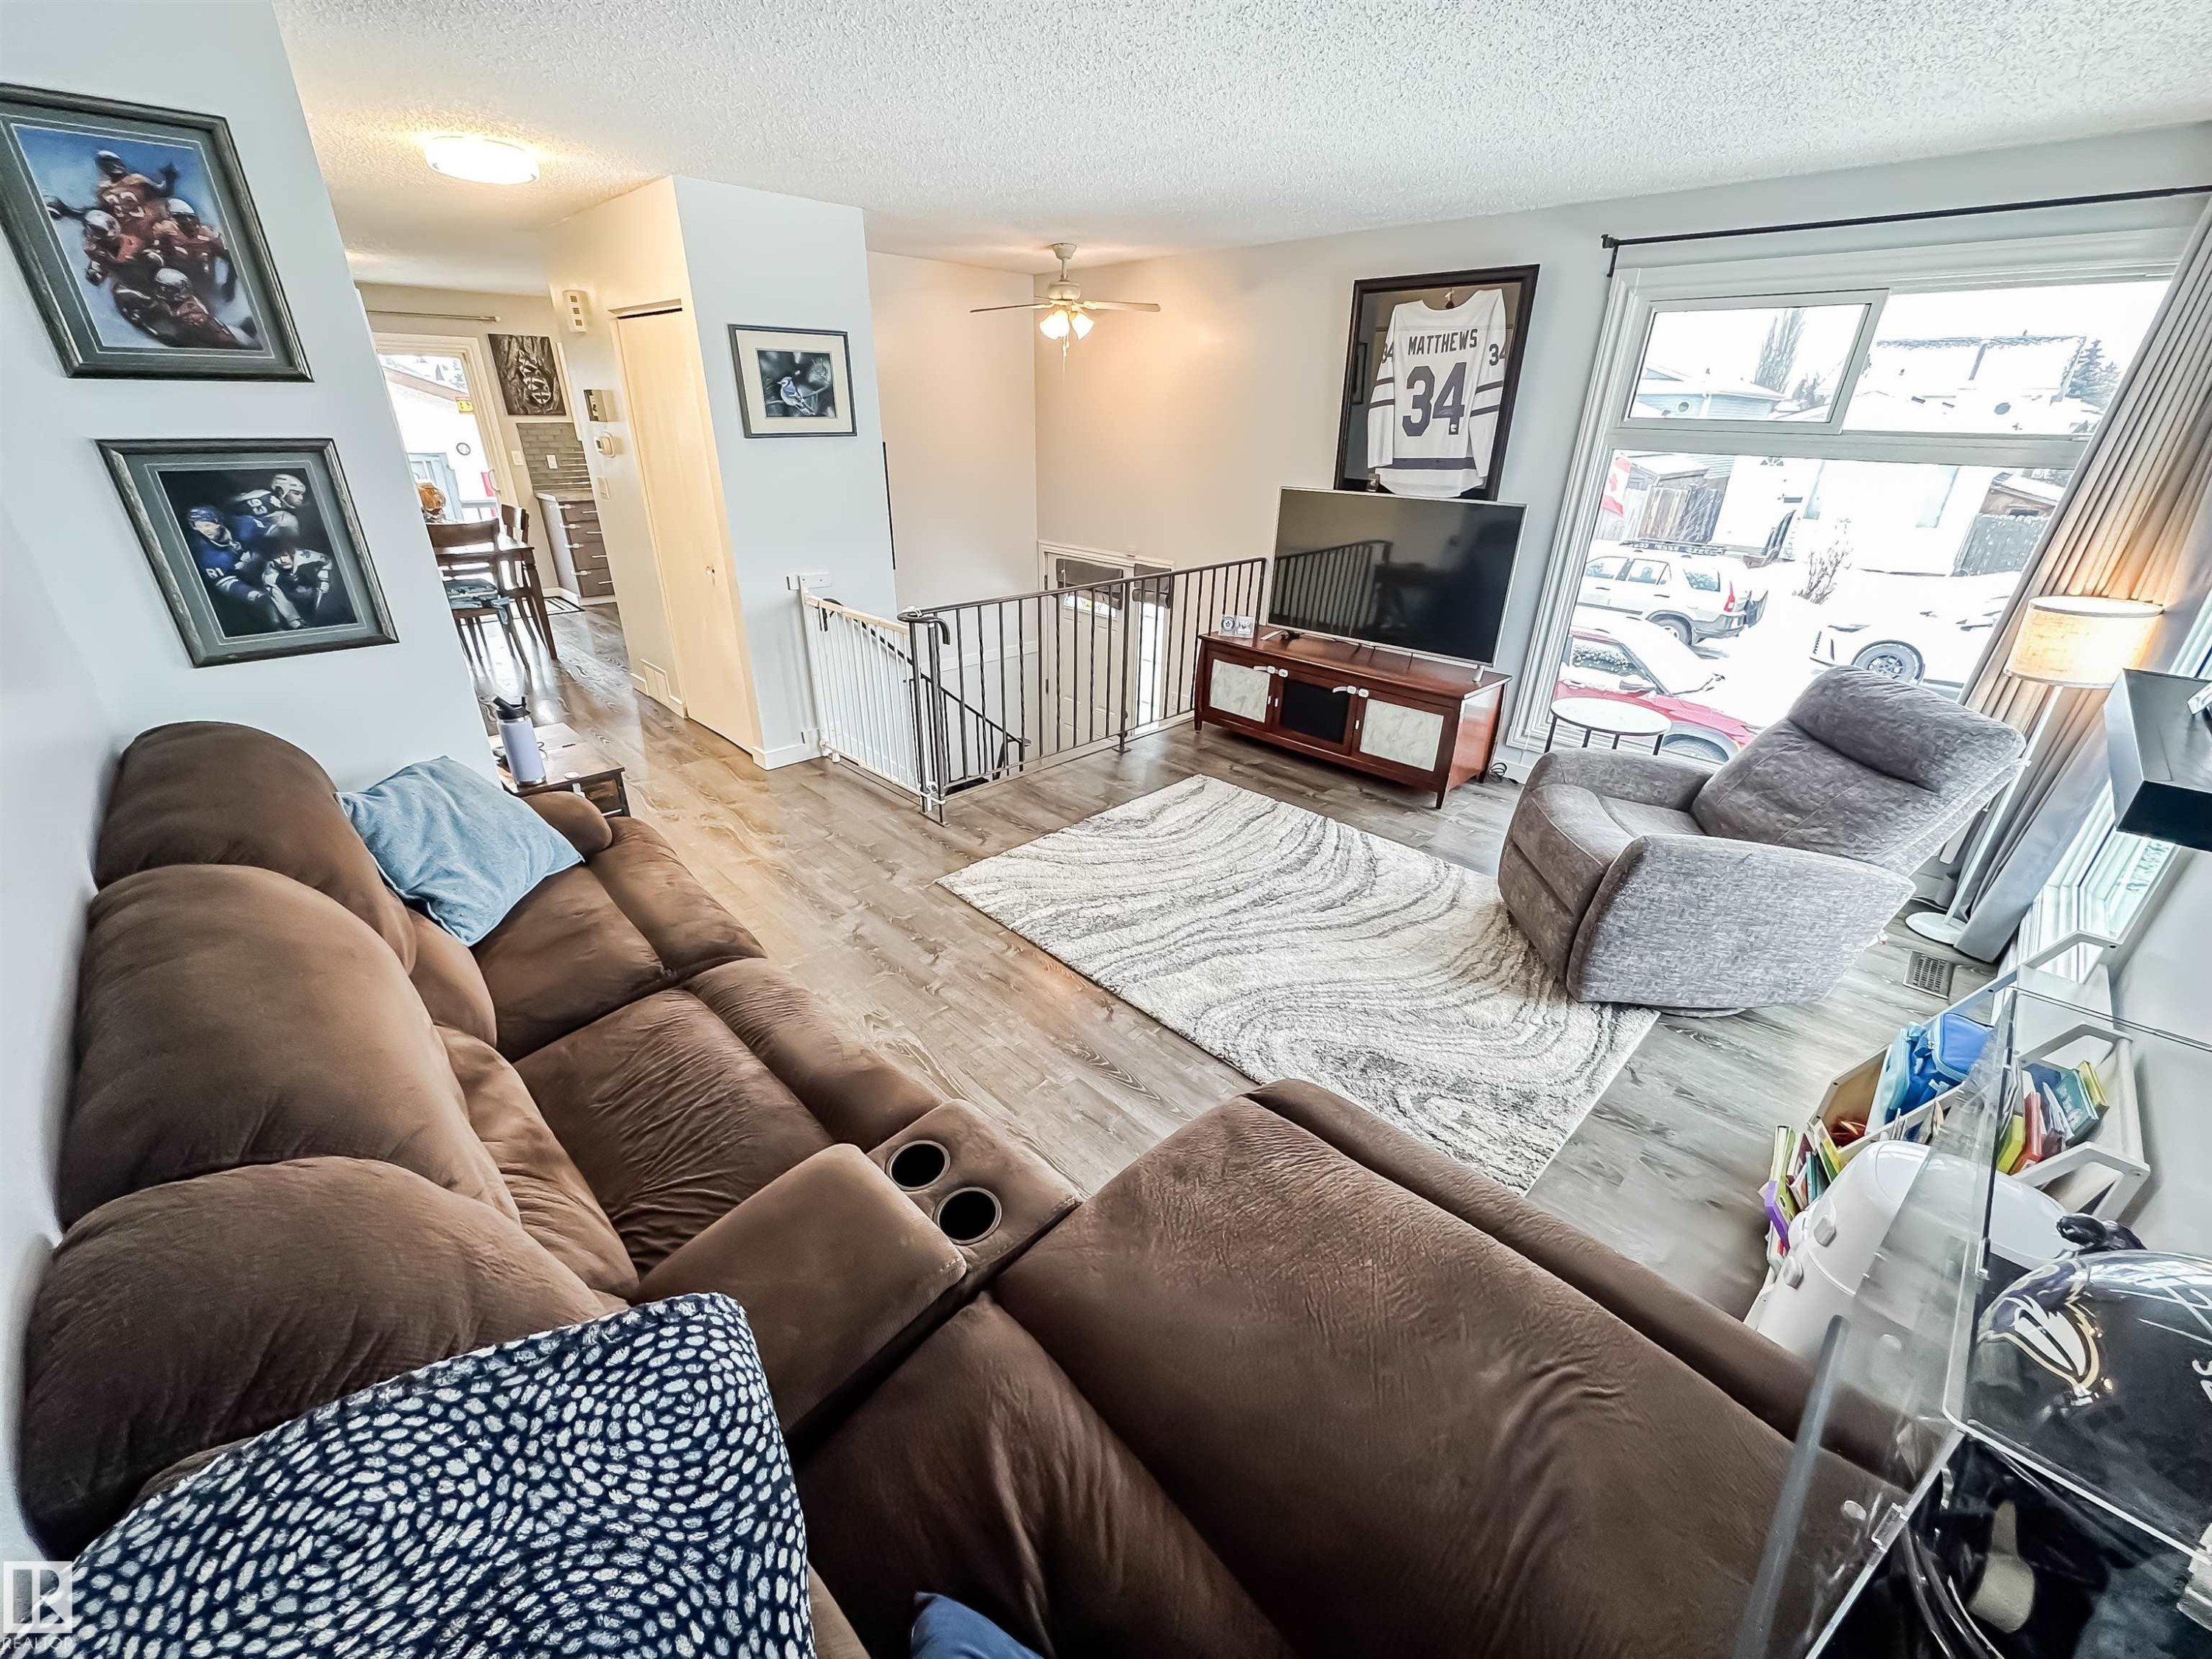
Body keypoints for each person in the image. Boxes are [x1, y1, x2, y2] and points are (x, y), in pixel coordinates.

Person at [184, 504, 297, 632]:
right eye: (199, 526)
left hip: (269, 562)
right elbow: (226, 583)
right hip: (244, 579)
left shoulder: (243, 525)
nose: (205, 530)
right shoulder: (206, 554)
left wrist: (262, 552)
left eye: (208, 525)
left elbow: (276, 535)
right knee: (264, 601)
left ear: (218, 522)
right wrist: (252, 594)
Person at [153, 198, 233, 302]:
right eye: (182, 219)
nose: (188, 222)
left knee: (203, 257)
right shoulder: (165, 232)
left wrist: (230, 284)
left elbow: (230, 259)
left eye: (191, 218)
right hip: (174, 283)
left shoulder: (207, 236)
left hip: (205, 287)